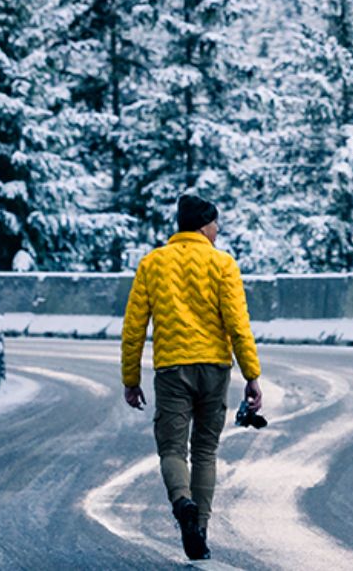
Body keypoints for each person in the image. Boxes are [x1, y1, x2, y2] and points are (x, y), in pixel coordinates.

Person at [120, 194, 263, 561]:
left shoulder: (152, 264)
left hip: (171, 370)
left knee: (171, 449)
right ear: (203, 225)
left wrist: (131, 378)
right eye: (215, 224)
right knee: (204, 451)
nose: (218, 230)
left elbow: (134, 327)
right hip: (214, 369)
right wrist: (252, 375)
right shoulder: (222, 264)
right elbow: (238, 324)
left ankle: (182, 502)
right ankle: (199, 527)